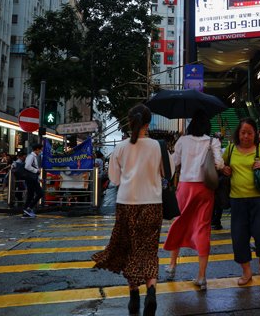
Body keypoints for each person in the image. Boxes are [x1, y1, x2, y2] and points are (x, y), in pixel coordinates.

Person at [92, 104, 170, 316]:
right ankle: (151, 290)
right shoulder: (158, 146)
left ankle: (133, 294)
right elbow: (166, 174)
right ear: (148, 123)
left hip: (127, 203)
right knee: (148, 251)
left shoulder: (120, 148)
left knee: (129, 249)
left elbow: (115, 179)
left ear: (130, 121)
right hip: (152, 204)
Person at [163, 111, 224, 291]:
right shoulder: (212, 141)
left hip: (185, 187)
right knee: (203, 228)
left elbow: (174, 162)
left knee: (179, 222)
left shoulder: (183, 140)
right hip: (205, 189)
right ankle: (201, 277)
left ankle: (172, 265)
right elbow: (219, 164)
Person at [220, 118, 260, 285]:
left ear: (255, 134)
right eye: (243, 133)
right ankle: (246, 271)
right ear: (238, 134)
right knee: (239, 237)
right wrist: (224, 168)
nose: (246, 136)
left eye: (249, 133)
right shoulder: (231, 149)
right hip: (237, 201)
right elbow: (222, 163)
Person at [22, 144, 43, 218]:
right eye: (40, 150)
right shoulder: (31, 156)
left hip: (31, 178)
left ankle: (26, 211)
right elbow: (27, 166)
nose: (41, 151)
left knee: (30, 195)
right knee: (40, 193)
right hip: (31, 178)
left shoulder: (32, 156)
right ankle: (29, 208)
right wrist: (36, 170)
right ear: (37, 149)